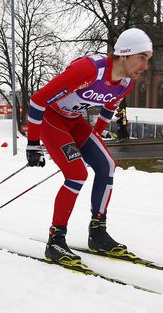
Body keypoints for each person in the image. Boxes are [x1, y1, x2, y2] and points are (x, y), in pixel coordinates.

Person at [26, 28, 152, 267]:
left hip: (75, 122)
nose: (146, 65)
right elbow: (38, 100)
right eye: (141, 57)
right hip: (52, 121)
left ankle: (98, 233)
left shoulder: (125, 83)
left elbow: (108, 109)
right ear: (124, 54)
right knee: (77, 174)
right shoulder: (89, 70)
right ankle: (55, 240)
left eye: (148, 58)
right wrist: (33, 143)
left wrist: (92, 140)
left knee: (107, 165)